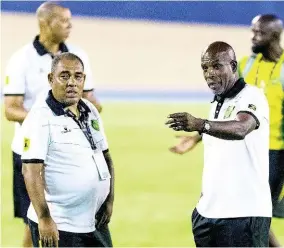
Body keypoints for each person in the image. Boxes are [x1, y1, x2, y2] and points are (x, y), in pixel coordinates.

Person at [170, 14, 284, 247]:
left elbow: (242, 124)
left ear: (274, 35)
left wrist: (200, 124)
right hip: (216, 209)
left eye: (259, 32)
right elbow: (227, 115)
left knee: (261, 210)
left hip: (276, 151)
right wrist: (197, 136)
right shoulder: (246, 66)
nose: (210, 73)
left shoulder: (266, 83)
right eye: (205, 68)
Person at [3, 2, 102, 246]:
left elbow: (89, 98)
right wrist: (48, 122)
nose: (70, 26)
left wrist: (93, 109)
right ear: (45, 23)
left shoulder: (77, 56)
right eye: (63, 21)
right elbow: (10, 108)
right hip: (32, 152)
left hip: (71, 151)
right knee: (35, 220)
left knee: (64, 219)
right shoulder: (21, 59)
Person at [21, 52, 114, 247]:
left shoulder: (90, 110)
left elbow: (106, 157)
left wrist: (108, 200)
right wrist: (45, 218)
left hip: (94, 221)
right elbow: (30, 171)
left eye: (77, 76)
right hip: (61, 225)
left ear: (84, 80)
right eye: (64, 76)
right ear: (50, 79)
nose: (71, 82)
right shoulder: (40, 117)